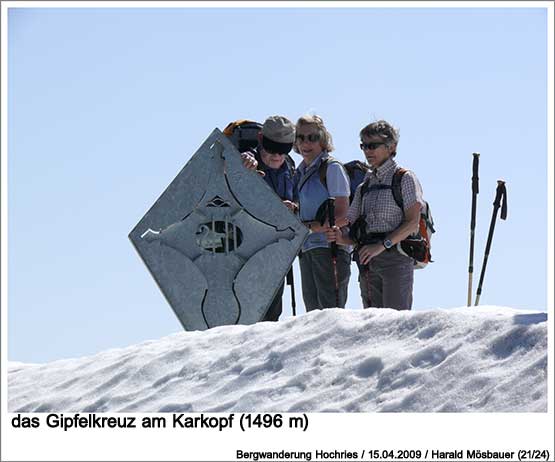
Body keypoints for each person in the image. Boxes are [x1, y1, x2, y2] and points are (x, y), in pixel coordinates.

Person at [327, 120, 424, 310]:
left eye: (373, 145)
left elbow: (413, 223)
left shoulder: (404, 177)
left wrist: (382, 245)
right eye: (363, 145)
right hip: (367, 262)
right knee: (372, 326)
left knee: (395, 323)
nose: (367, 151)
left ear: (391, 146)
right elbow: (350, 223)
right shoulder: (365, 186)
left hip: (396, 258)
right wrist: (339, 237)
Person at [242, 115, 298, 321]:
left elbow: (297, 201)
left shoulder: (290, 168)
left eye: (283, 150)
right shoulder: (246, 161)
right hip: (248, 252)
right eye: (271, 148)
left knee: (272, 315)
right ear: (260, 139)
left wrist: (292, 209)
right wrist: (244, 162)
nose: (276, 155)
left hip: (277, 252)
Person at [293, 115, 351, 311]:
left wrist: (310, 228)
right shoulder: (299, 172)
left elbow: (343, 215)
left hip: (329, 249)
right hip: (307, 249)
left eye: (312, 137)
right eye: (300, 137)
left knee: (330, 315)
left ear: (323, 139)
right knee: (312, 319)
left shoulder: (332, 168)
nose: (305, 143)